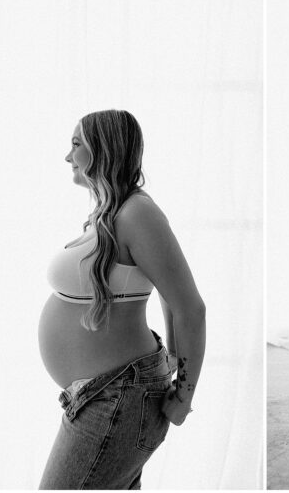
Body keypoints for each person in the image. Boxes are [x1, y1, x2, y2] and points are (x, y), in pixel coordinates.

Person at [38, 110, 206, 489]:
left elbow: (190, 308)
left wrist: (184, 394)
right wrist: (174, 353)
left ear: (103, 149)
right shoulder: (111, 213)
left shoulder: (137, 214)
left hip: (118, 398)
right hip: (102, 396)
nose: (68, 157)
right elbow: (165, 290)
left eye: (76, 145)